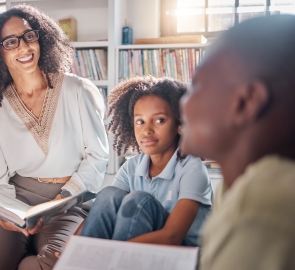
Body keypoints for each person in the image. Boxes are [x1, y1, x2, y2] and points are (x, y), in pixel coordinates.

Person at [0, 4, 109, 270]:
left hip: (69, 198)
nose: (24, 48)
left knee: (56, 265)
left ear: (41, 37)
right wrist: (5, 215)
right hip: (18, 197)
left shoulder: (79, 90)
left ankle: (20, 257)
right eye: (11, 42)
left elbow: (98, 155)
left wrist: (64, 198)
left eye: (29, 36)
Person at [179, 15, 295, 270]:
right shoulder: (236, 187)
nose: (183, 104)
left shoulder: (261, 205)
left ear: (246, 102)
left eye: (196, 86)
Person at [77, 76, 212, 246]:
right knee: (108, 194)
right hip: (135, 251)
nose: (147, 130)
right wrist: (72, 246)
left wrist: (111, 252)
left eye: (159, 120)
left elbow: (172, 236)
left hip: (184, 255)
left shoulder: (192, 169)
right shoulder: (131, 167)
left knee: (139, 201)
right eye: (140, 121)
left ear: (180, 125)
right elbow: (104, 207)